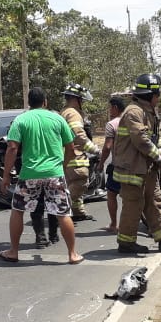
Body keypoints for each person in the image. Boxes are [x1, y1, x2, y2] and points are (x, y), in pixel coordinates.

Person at [0, 87, 83, 264]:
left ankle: (14, 251)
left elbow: (12, 148)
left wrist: (6, 175)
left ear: (29, 103)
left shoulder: (21, 120)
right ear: (45, 101)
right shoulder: (57, 119)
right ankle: (72, 254)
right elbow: (71, 147)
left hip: (29, 174)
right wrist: (63, 166)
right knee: (63, 213)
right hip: (54, 173)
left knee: (18, 210)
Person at [113, 74, 161, 255]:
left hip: (147, 168)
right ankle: (126, 243)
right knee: (133, 205)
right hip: (132, 169)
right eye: (158, 94)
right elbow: (140, 139)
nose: (159, 98)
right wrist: (158, 156)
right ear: (150, 94)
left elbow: (159, 130)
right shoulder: (134, 112)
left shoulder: (149, 110)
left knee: (155, 201)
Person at [59, 83, 100, 222]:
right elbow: (79, 135)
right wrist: (94, 149)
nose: (82, 102)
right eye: (81, 99)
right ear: (76, 99)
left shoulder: (66, 111)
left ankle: (77, 211)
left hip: (68, 155)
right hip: (74, 154)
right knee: (80, 180)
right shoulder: (73, 113)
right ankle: (61, 209)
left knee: (73, 182)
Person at [98, 95, 127, 234]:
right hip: (133, 165)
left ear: (115, 108)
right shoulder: (131, 121)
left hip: (117, 166)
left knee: (111, 194)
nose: (109, 110)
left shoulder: (112, 124)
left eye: (110, 107)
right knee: (132, 197)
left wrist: (101, 163)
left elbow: (107, 147)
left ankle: (114, 224)